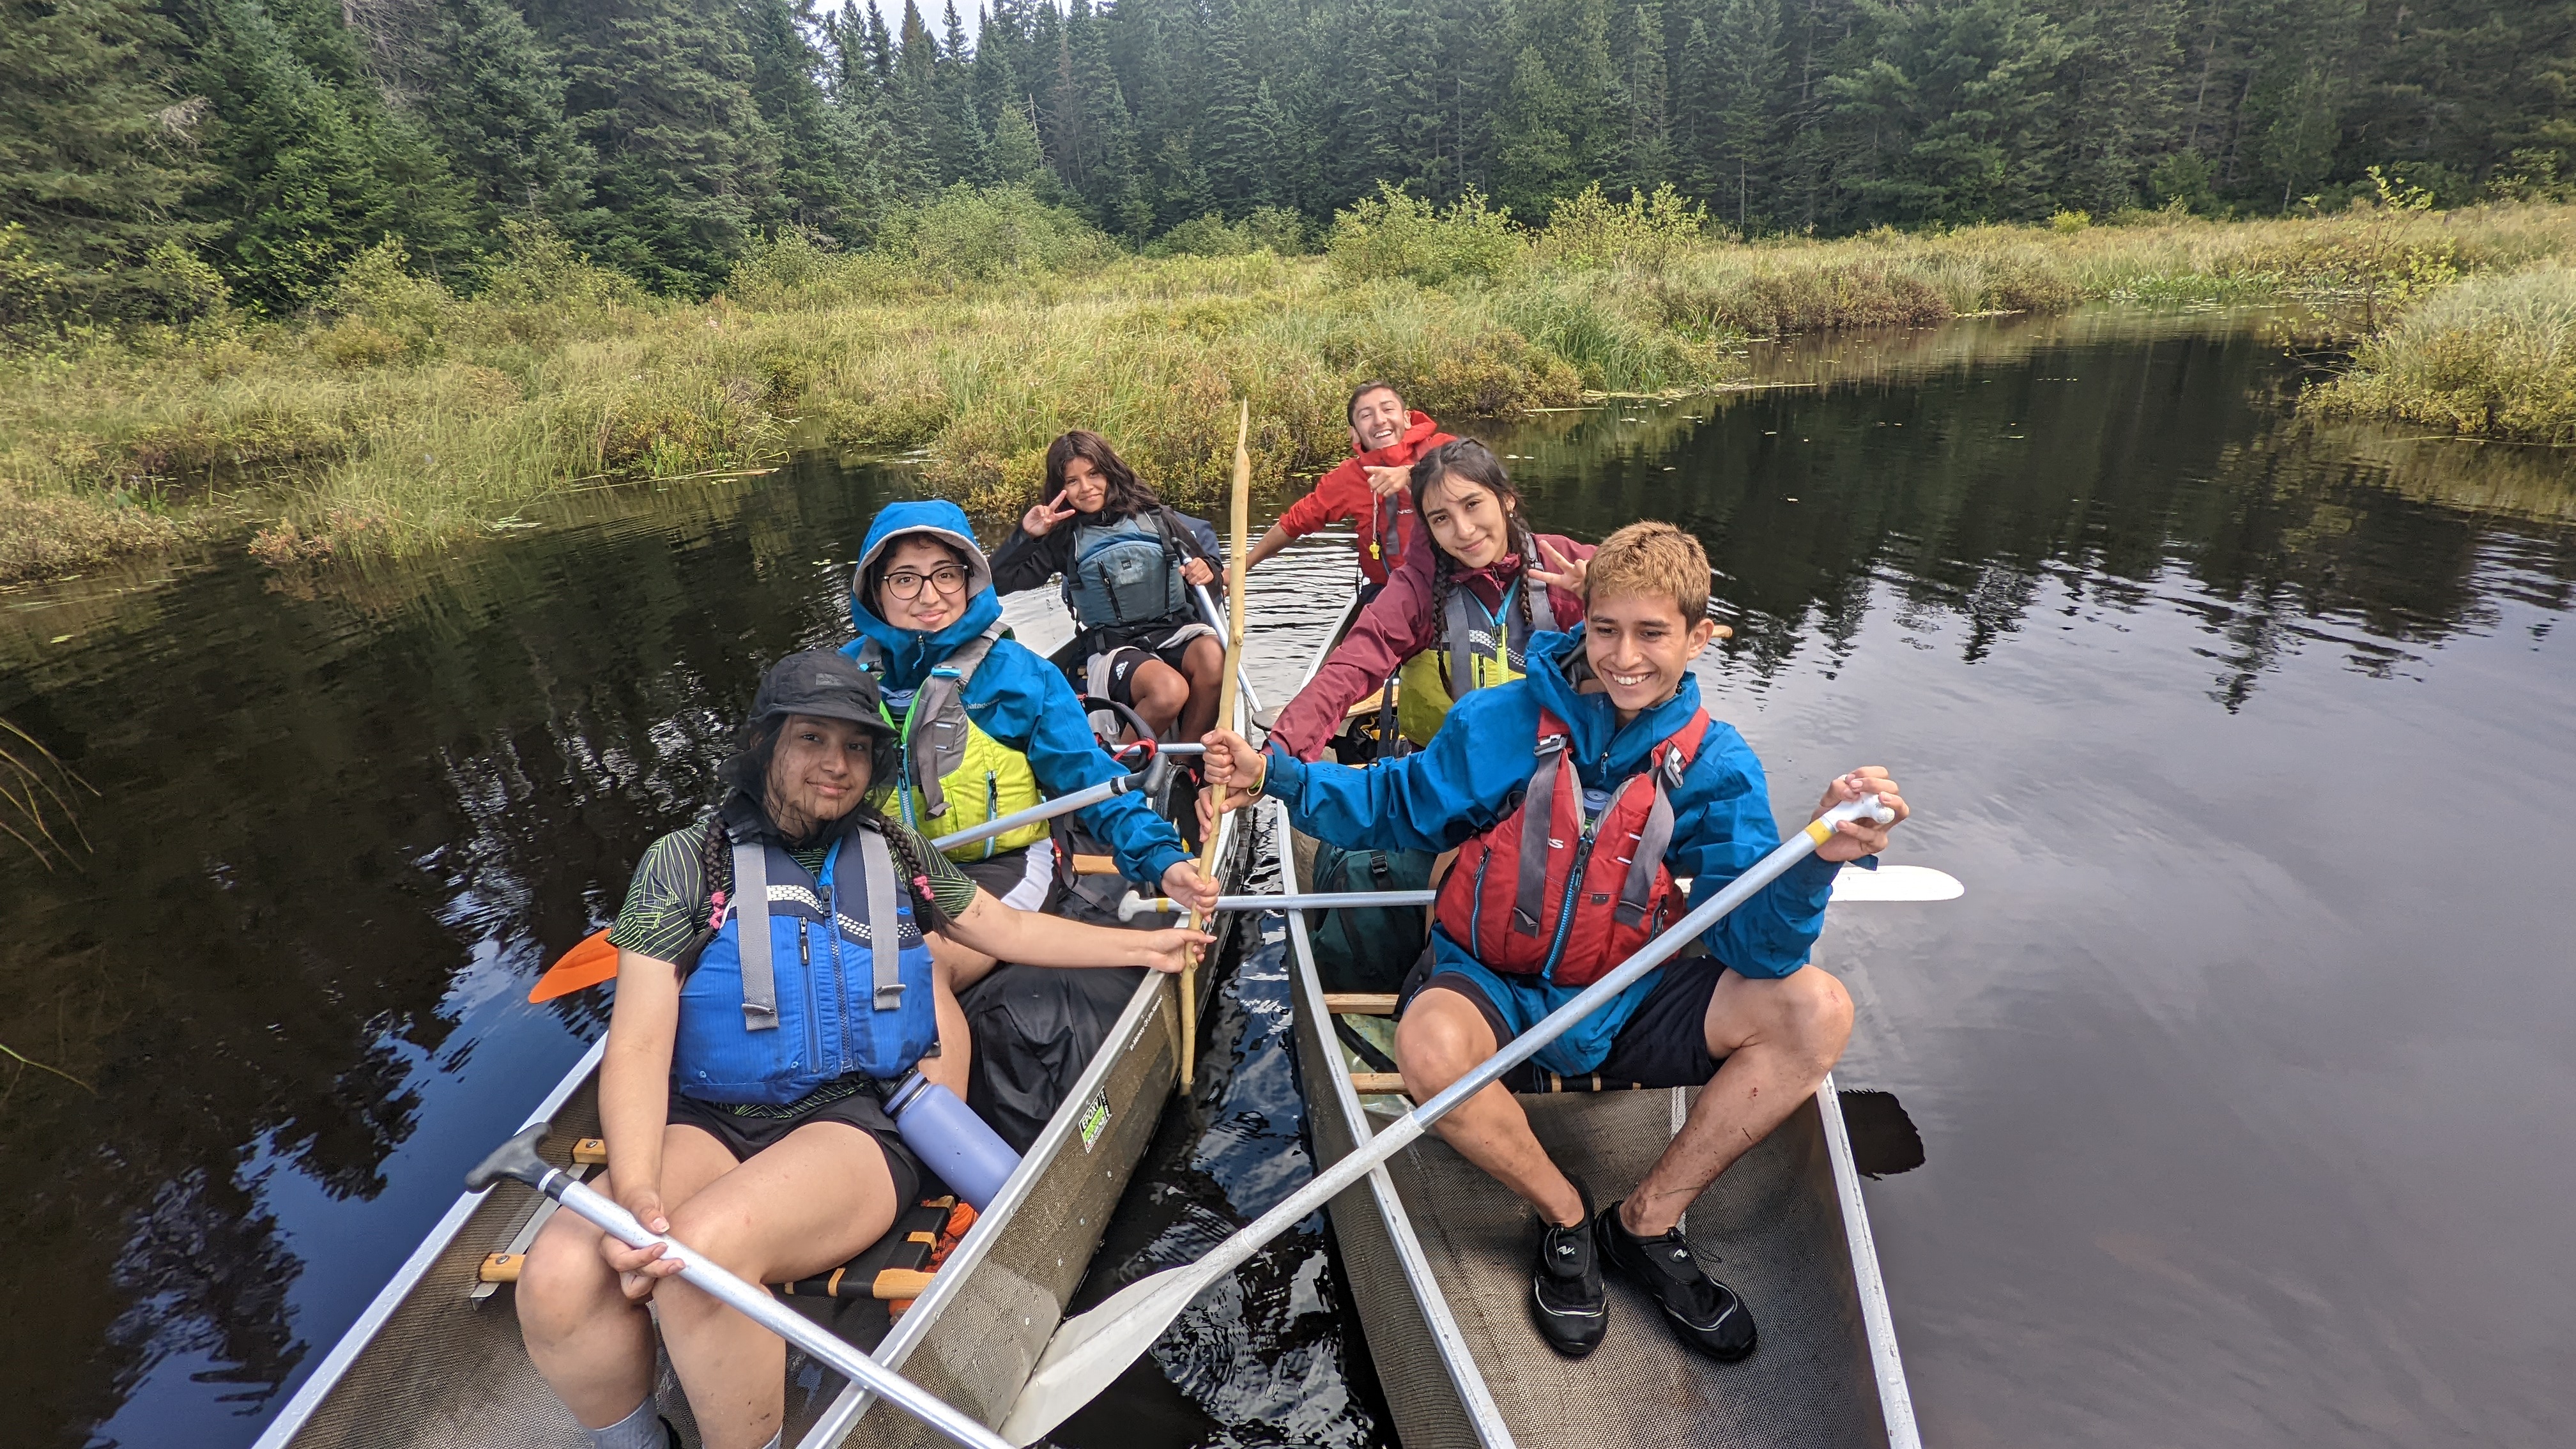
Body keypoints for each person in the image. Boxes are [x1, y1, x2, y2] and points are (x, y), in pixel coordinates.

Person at [1199, 523, 1907, 1364]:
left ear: (1698, 638)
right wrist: (1278, 776)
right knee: (1426, 1047)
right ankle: (1565, 1214)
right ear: (1582, 618)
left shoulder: (1718, 766)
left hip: (1623, 994)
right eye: (1606, 628)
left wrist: (1813, 864)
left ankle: (1644, 1224)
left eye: (1653, 634)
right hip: (1493, 984)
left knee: (1814, 1013)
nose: (1624, 656)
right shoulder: (1502, 720)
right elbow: (1398, 805)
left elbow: (1754, 946)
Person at [516, 650, 1208, 1449]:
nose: (836, 767)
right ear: (766, 744)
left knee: (699, 1258)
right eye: (812, 739)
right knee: (561, 1271)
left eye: (855, 747)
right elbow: (636, 1045)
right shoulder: (682, 863)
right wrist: (634, 1195)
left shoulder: (892, 852)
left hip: (853, 1122)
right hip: (707, 1120)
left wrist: (1143, 949)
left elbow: (1005, 929)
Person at [844, 499, 1220, 1146]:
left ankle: (935, 1160)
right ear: (877, 590)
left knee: (917, 962)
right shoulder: (846, 677)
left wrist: (1164, 861)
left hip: (1000, 869)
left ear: (971, 580)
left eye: (945, 575)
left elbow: (1094, 787)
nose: (927, 595)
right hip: (886, 875)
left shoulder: (1021, 678)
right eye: (905, 578)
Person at [1264, 438, 1600, 763]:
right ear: (1428, 527)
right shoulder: (1416, 587)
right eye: (1441, 518)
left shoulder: (1568, 563)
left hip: (1556, 766)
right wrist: (1276, 754)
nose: (1464, 530)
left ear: (1507, 499)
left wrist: (1604, 603)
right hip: (1443, 776)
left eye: (1472, 505)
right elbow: (1350, 668)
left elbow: (1650, 602)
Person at [990, 430, 1227, 742]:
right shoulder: (1064, 539)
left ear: (1109, 471)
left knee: (1214, 660)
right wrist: (1027, 535)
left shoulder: (1158, 518)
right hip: (1114, 647)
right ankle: (1122, 770)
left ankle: (1187, 766)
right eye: (1072, 481)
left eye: (1093, 474)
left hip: (1174, 632)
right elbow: (997, 582)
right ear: (1060, 488)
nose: (1086, 488)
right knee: (1169, 690)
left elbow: (1210, 575)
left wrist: (1206, 570)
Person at [1241, 379, 1455, 596]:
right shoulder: (1347, 478)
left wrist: (1412, 474)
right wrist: (1242, 569)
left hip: (1459, 581)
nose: (1380, 420)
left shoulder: (1445, 448)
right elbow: (1293, 523)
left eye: (1388, 409)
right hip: (1392, 592)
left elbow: (1480, 475)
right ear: (1354, 433)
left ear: (1407, 418)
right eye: (1366, 415)